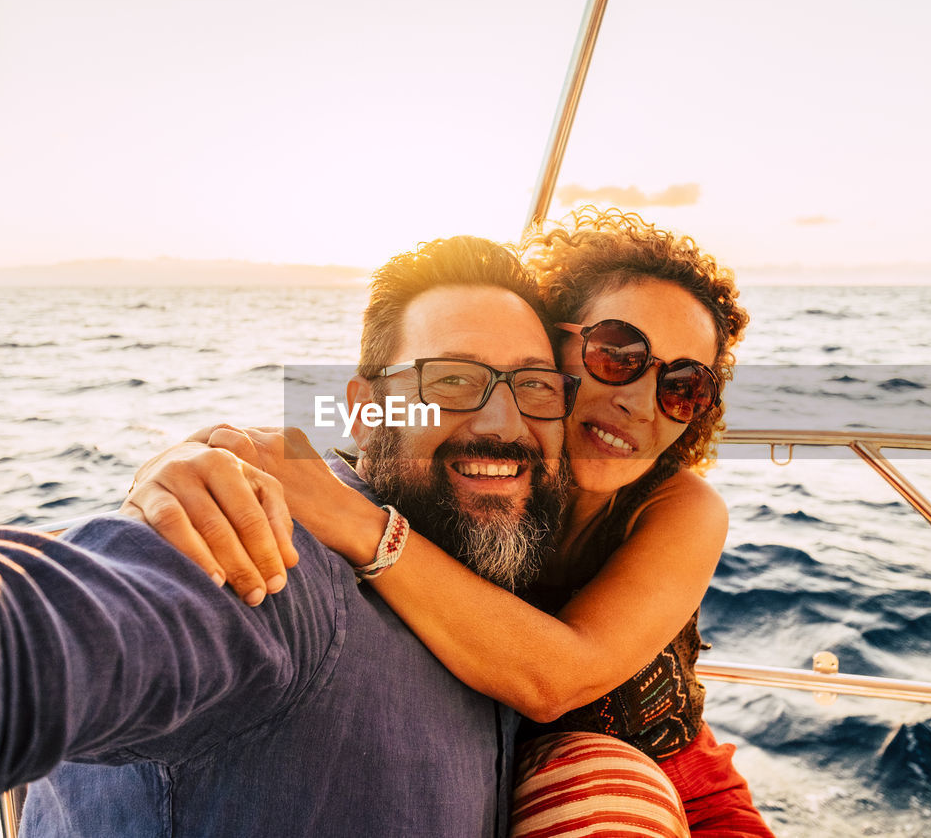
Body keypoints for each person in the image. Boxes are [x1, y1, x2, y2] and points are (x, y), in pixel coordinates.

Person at [0, 235, 576, 838]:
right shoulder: (281, 559)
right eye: (450, 382)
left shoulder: (492, 607)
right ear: (365, 410)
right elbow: (39, 637)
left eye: (536, 386)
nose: (503, 424)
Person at [133, 207, 774, 835]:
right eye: (616, 353)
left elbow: (560, 678)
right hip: (519, 788)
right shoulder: (449, 467)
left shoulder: (681, 507)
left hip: (684, 786)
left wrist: (364, 529)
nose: (639, 403)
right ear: (551, 347)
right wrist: (175, 469)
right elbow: (301, 451)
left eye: (685, 385)